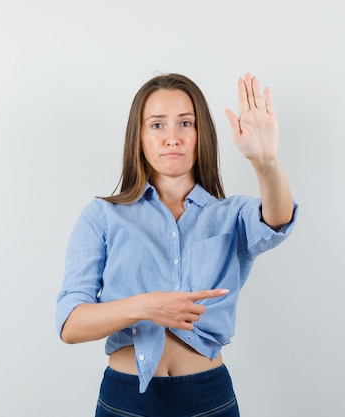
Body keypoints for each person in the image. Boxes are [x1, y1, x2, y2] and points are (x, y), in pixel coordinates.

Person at [55, 72, 298, 417]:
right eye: (157, 125)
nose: (172, 137)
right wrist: (144, 307)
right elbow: (70, 324)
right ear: (138, 137)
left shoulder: (231, 214)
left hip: (209, 399)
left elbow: (277, 220)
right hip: (126, 401)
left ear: (202, 135)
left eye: (185, 123)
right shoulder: (103, 216)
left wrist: (266, 162)